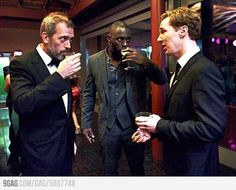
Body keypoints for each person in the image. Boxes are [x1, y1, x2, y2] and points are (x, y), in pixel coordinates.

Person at [132, 7, 227, 176]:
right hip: (179, 164)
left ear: (183, 31)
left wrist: (160, 125)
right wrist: (155, 130)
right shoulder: (180, 68)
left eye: (163, 31)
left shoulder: (203, 70)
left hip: (194, 168)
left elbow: (210, 128)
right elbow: (181, 118)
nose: (158, 37)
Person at [81, 20, 166, 176]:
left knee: (137, 168)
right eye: (120, 39)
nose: (125, 43)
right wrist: (86, 122)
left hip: (133, 127)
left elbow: (161, 79)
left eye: (128, 39)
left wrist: (145, 62)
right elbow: (88, 92)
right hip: (108, 126)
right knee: (109, 170)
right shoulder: (94, 60)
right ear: (109, 38)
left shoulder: (138, 58)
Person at [9, 12, 81, 176]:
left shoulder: (61, 61)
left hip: (66, 149)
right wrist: (59, 76)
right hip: (39, 154)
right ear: (45, 37)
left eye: (71, 39)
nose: (69, 45)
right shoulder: (22, 63)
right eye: (63, 39)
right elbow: (23, 104)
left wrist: (71, 140)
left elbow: (64, 110)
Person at [3, 59, 21, 176]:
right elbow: (7, 86)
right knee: (14, 127)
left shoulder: (24, 67)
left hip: (21, 102)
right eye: (15, 56)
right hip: (12, 102)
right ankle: (15, 151)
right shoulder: (7, 69)